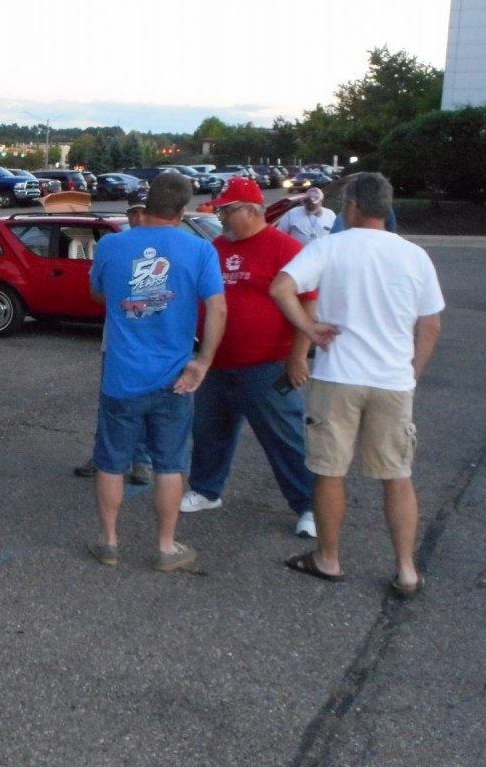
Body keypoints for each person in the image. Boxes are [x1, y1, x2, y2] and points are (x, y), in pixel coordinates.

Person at [270, 172, 444, 598]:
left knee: (330, 472)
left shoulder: (329, 247)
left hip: (338, 378)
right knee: (397, 475)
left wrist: (309, 329)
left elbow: (282, 288)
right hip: (392, 381)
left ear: (352, 206)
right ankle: (406, 570)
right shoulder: (415, 256)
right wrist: (412, 374)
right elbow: (431, 325)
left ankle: (328, 558)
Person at [86, 173, 226, 571]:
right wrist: (203, 363)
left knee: (111, 461)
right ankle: (165, 546)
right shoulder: (200, 250)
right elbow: (218, 309)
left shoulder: (112, 244)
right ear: (183, 210)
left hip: (121, 377)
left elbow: (97, 293)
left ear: (146, 204)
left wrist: (130, 297)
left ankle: (109, 541)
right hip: (175, 379)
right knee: (170, 464)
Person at [182, 177, 319, 538]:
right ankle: (206, 490)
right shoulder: (214, 249)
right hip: (217, 361)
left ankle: (309, 506)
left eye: (227, 210)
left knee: (285, 438)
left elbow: (308, 302)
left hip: (268, 364)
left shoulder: (285, 248)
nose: (221, 216)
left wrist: (298, 356)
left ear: (250, 210)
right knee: (210, 431)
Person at [74, 201, 154, 485]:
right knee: (110, 401)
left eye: (143, 211)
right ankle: (102, 457)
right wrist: (124, 301)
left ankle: (142, 461)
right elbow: (95, 291)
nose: (138, 217)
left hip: (152, 343)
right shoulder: (114, 245)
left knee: (145, 401)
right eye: (133, 211)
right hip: (117, 341)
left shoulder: (163, 246)